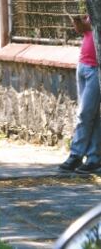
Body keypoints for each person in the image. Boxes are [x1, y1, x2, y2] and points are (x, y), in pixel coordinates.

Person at [60, 14, 101, 174]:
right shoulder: (94, 6)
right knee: (92, 115)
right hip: (83, 66)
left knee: (84, 114)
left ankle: (76, 154)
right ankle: (94, 158)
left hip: (95, 70)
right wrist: (78, 23)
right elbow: (85, 31)